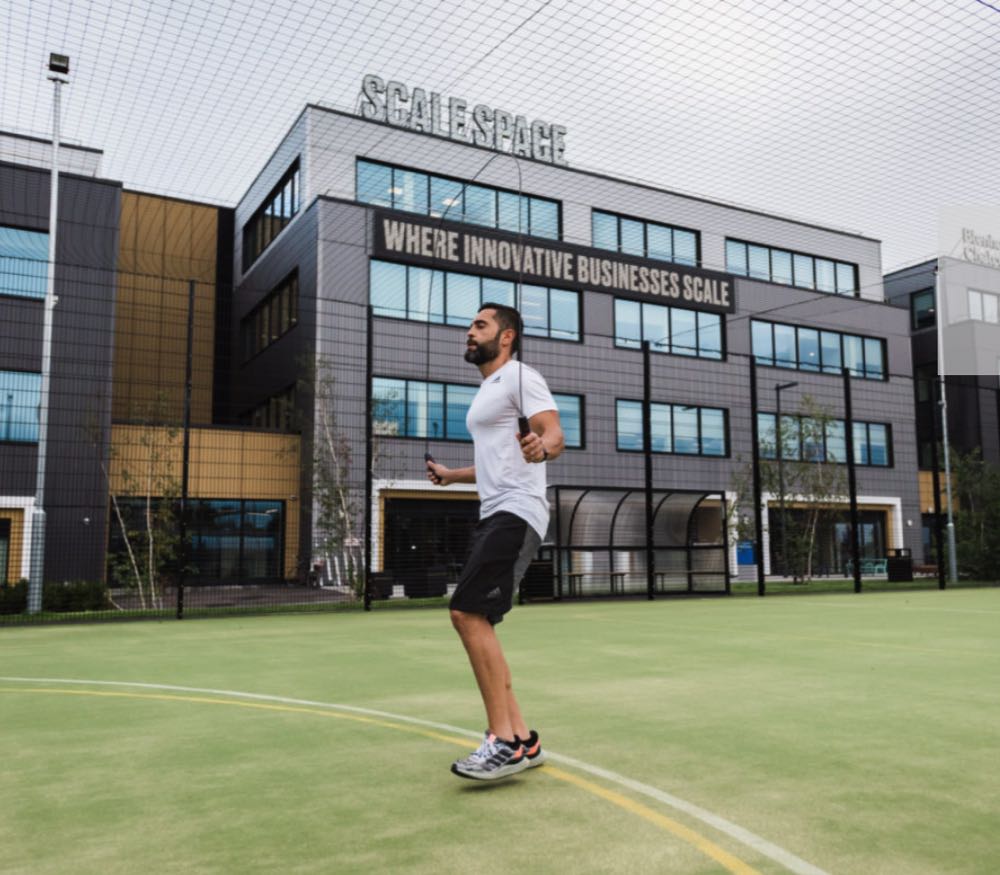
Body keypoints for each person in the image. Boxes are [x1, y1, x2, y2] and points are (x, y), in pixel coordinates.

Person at [426, 303, 564, 781]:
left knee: (466, 612)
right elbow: (492, 463)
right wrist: (451, 476)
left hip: (516, 510)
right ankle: (523, 739)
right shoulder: (488, 389)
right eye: (470, 325)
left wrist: (542, 446)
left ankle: (500, 740)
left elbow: (554, 431)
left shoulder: (521, 376)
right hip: (495, 509)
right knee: (477, 618)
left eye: (480, 325)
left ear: (506, 337)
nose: (470, 331)